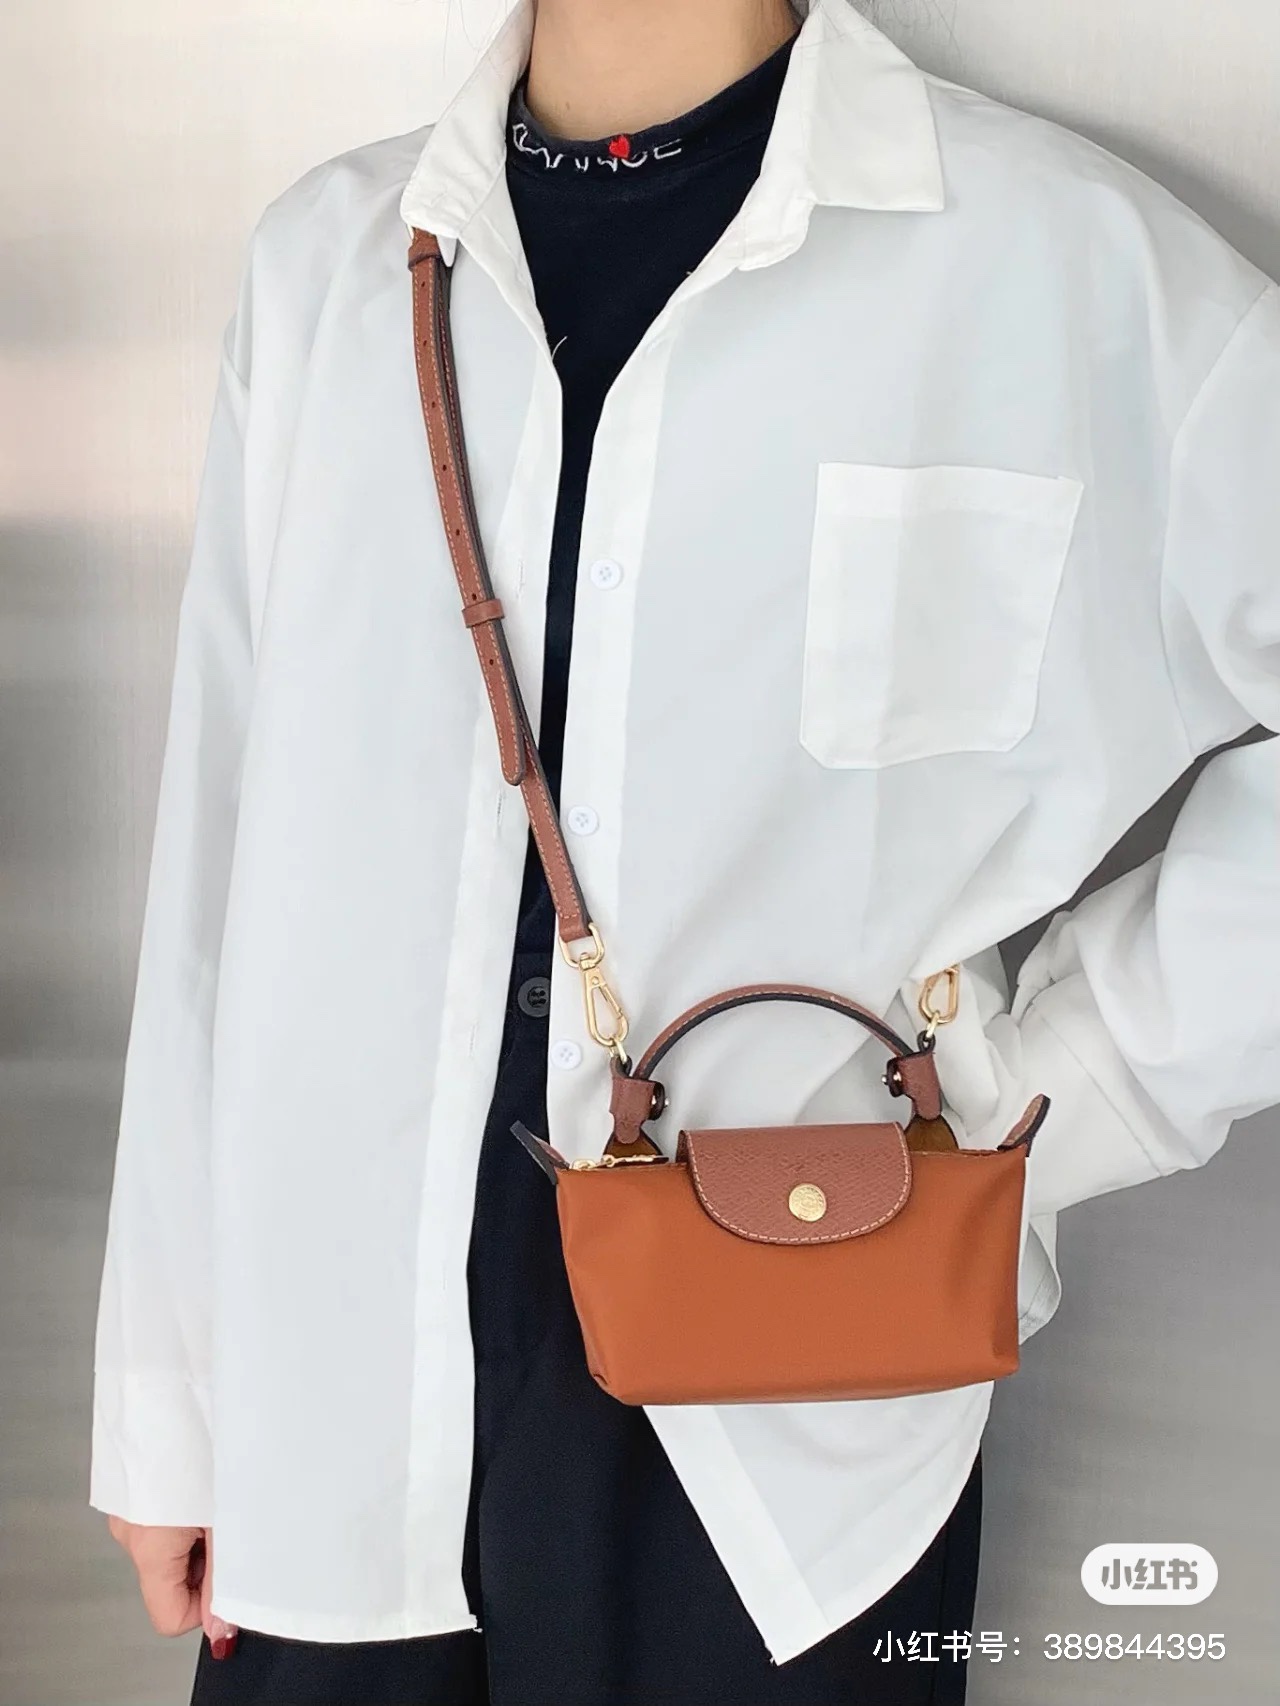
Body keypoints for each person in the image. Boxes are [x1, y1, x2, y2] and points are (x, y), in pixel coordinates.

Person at [91, 0, 1280, 1701]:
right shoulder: (329, 264)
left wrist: (1059, 1090)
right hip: (333, 1411)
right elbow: (221, 840)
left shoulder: (1059, 264)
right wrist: (170, 1394)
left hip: (791, 1447)